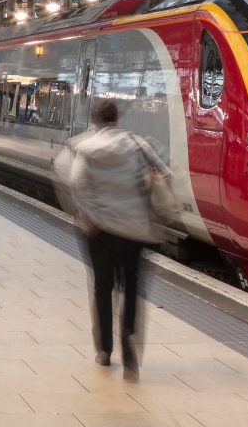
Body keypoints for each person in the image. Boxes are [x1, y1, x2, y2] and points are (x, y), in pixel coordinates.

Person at [54, 99, 166, 377]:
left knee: (102, 288)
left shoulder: (85, 147)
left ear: (96, 121)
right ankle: (129, 344)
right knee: (131, 289)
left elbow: (75, 182)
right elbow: (164, 173)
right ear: (117, 119)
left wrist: (88, 216)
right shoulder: (139, 144)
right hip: (135, 231)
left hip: (99, 232)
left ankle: (104, 349)